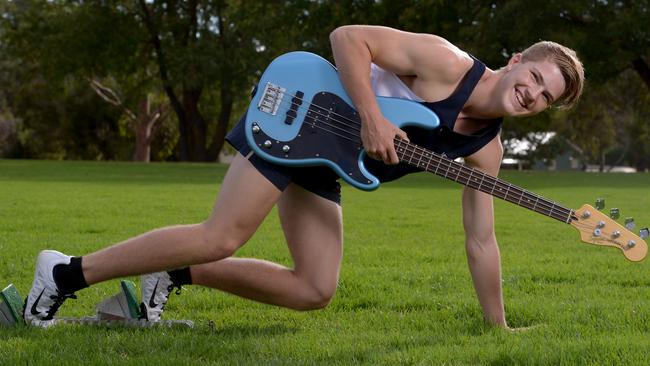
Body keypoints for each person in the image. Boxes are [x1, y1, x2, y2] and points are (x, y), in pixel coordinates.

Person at [24, 25, 584, 329]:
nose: (532, 94)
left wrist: (498, 328)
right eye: (534, 77)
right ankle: (64, 274)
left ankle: (172, 277)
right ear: (515, 61)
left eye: (544, 98)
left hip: (328, 164)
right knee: (224, 234)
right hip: (299, 114)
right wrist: (370, 117)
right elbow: (348, 38)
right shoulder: (444, 61)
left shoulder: (487, 151)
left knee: (315, 289)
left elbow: (481, 241)